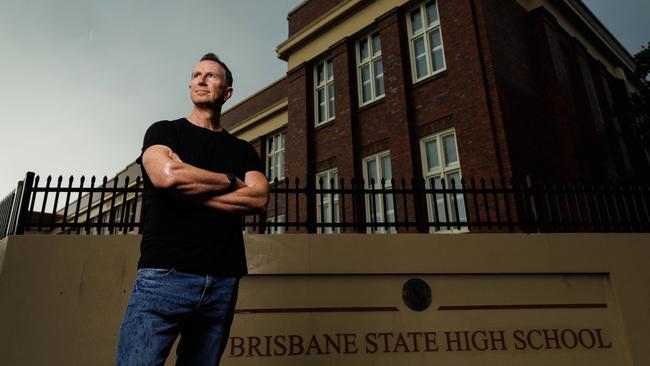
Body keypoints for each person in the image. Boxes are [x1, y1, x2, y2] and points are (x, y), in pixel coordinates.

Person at [116, 53, 269, 366]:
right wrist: (230, 180)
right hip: (165, 275)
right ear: (189, 84)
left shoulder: (241, 149)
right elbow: (168, 176)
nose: (201, 79)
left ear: (226, 92)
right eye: (197, 74)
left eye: (211, 76)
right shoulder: (163, 132)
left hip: (222, 281)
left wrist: (192, 191)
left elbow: (259, 199)